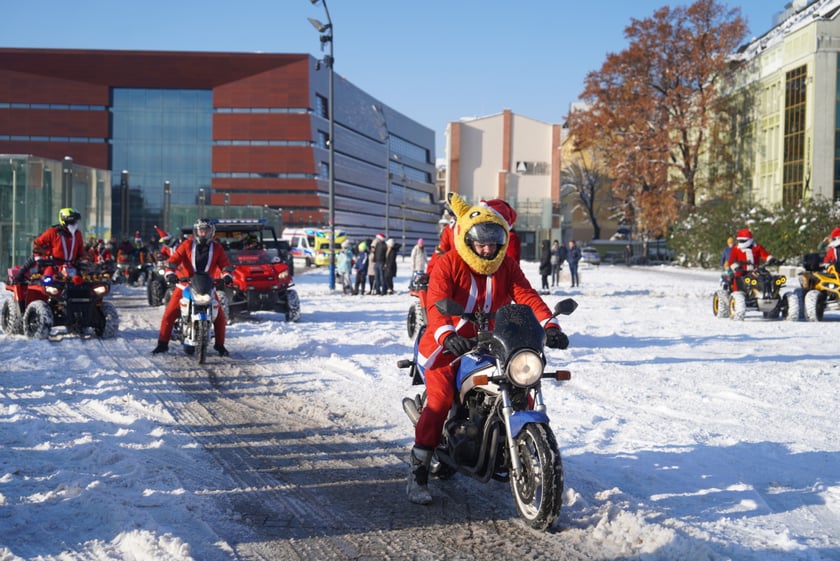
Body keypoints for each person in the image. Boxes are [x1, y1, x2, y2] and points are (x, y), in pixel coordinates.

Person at [406, 192, 570, 505]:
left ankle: (512, 444)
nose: (487, 249)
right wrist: (446, 334)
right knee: (440, 402)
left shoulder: (506, 266)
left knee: (522, 386)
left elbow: (528, 296)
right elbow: (436, 304)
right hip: (448, 344)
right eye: (481, 244)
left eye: (493, 243)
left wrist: (550, 325)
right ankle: (418, 474)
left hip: (493, 341)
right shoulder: (448, 263)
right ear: (468, 240)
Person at [152, 218, 234, 356]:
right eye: (201, 230)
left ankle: (220, 345)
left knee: (219, 316)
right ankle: (162, 344)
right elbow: (173, 261)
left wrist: (226, 276)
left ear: (211, 232)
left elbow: (225, 264)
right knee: (170, 313)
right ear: (196, 231)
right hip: (185, 285)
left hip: (207, 285)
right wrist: (170, 273)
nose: (203, 233)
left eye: (206, 230)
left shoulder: (217, 248)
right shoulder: (186, 245)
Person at [16, 207, 86, 281]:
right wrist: (39, 258)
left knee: (84, 281)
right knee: (47, 278)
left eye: (76, 221)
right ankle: (19, 277)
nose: (74, 224)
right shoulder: (52, 232)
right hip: (54, 265)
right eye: (72, 222)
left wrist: (83, 260)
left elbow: (80, 251)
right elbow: (37, 243)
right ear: (64, 221)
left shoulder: (78, 234)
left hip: (72, 267)